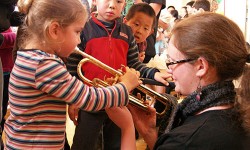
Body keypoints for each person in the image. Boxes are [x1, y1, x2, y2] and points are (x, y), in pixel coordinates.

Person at [3, 0, 141, 149]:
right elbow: (90, 99)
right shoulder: (44, 64)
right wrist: (125, 85)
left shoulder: (32, 57)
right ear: (55, 30)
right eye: (77, 31)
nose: (79, 39)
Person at [107, 12, 250, 150]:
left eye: (172, 61)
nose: (169, 70)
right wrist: (149, 133)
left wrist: (127, 127)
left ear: (201, 66)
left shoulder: (187, 139)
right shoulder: (239, 111)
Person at [66, 0, 170, 149]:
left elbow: (134, 64)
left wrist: (153, 74)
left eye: (119, 1)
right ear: (95, 1)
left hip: (119, 102)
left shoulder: (127, 32)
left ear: (124, 4)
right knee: (84, 144)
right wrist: (73, 100)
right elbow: (73, 67)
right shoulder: (84, 28)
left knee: (115, 144)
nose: (112, 5)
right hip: (89, 100)